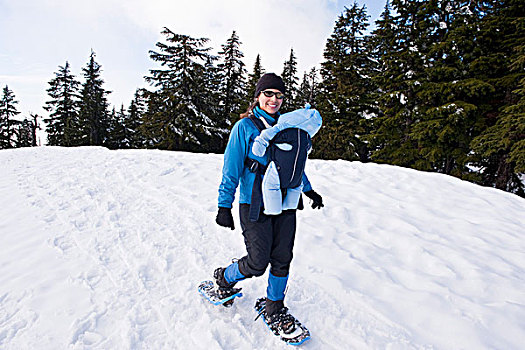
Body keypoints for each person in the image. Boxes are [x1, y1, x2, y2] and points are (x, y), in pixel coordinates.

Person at [214, 73, 324, 335]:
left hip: (286, 202)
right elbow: (231, 168)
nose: (274, 100)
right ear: (257, 96)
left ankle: (274, 306)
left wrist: (309, 191)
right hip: (253, 203)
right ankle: (225, 277)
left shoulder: (289, 126)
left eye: (279, 95)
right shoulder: (245, 127)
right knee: (257, 261)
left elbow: (291, 164)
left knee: (282, 258)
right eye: (268, 94)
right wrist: (223, 205)